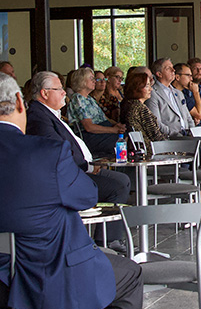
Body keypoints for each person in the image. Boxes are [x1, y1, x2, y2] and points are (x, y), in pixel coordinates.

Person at [0, 71, 144, 309]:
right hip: (42, 280)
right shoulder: (47, 151)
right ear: (20, 103)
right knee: (130, 275)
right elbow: (87, 196)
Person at [27, 71, 131, 207]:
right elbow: (57, 152)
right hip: (66, 178)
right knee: (118, 188)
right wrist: (87, 166)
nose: (64, 93)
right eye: (59, 89)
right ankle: (103, 228)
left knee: (123, 180)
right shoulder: (38, 116)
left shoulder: (50, 113)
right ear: (44, 93)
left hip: (81, 167)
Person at [66, 67, 127, 157]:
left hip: (101, 131)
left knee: (128, 132)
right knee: (123, 140)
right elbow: (89, 127)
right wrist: (113, 130)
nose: (94, 81)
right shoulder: (78, 99)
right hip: (91, 136)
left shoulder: (89, 98)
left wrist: (116, 125)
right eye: (91, 78)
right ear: (82, 81)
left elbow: (104, 118)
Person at [145, 58, 196, 138]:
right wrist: (175, 135)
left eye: (172, 67)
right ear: (159, 74)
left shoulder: (178, 93)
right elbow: (156, 123)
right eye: (168, 68)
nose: (173, 70)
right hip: (169, 139)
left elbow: (188, 118)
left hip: (187, 136)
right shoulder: (152, 93)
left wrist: (193, 133)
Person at [120, 73, 168, 143]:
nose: (151, 89)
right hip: (152, 149)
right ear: (136, 88)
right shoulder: (140, 109)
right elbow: (156, 136)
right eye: (147, 86)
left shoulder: (128, 103)